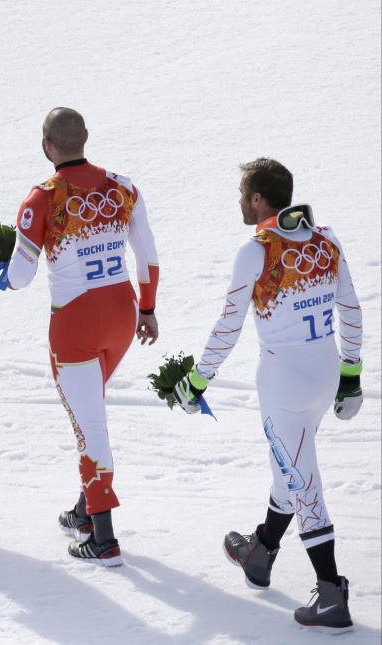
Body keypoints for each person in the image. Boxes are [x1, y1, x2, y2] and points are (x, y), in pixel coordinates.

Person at [174, 158, 363, 632]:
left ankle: (331, 593)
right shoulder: (326, 238)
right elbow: (351, 309)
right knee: (291, 464)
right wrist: (352, 375)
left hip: (283, 384)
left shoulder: (256, 249)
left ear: (259, 198)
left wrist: (198, 380)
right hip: (323, 376)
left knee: (303, 481)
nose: (240, 200)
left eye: (243, 192)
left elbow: (229, 324)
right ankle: (261, 550)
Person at [6, 108, 160, 565]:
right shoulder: (124, 187)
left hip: (74, 322)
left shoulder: (42, 198)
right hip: (123, 315)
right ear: (86, 137)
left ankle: (104, 537)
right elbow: (147, 255)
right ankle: (83, 511)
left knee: (89, 425)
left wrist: (6, 262)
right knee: (90, 410)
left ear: (46, 146)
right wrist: (148, 308)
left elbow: (19, 278)